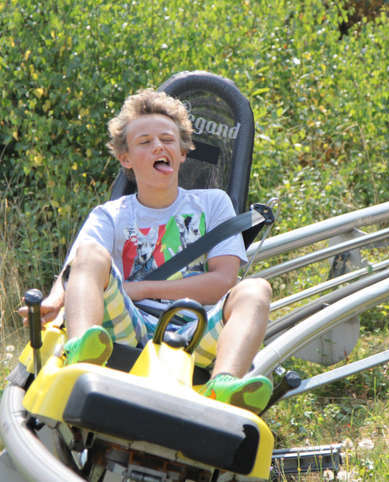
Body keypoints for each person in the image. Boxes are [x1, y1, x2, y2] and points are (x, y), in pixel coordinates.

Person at [22, 88, 273, 413]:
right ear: (125, 158)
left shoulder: (214, 203)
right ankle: (79, 351)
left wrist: (142, 288)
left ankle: (223, 384)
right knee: (90, 252)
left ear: (182, 153)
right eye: (145, 142)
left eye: (167, 140)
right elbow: (76, 268)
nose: (158, 146)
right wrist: (55, 301)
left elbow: (224, 282)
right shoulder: (110, 215)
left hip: (194, 330)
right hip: (128, 323)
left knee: (256, 289)